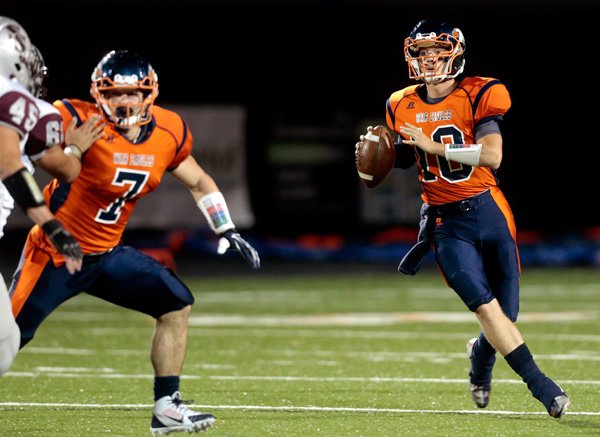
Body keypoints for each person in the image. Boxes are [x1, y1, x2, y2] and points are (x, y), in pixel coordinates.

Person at [9, 48, 261, 434]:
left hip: (106, 254)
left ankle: (167, 408)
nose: (121, 101)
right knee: (7, 339)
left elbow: (198, 181)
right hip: (55, 253)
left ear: (149, 94)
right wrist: (72, 143)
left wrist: (225, 227)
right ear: (98, 94)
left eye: (130, 93)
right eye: (111, 93)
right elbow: (43, 156)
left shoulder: (168, 130)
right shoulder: (73, 117)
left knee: (176, 305)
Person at [357, 18, 570, 418]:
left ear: (454, 52)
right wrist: (377, 155)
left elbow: (492, 156)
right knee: (484, 306)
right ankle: (542, 386)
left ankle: (479, 360)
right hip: (445, 223)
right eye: (421, 53)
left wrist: (432, 145)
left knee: (507, 313)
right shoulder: (400, 102)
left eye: (436, 52)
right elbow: (406, 156)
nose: (429, 60)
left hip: (489, 209)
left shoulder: (480, 92)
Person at [0, 16, 102, 376]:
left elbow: (64, 167)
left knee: (6, 340)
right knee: (3, 344)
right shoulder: (15, 100)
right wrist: (51, 224)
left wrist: (72, 150)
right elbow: (10, 163)